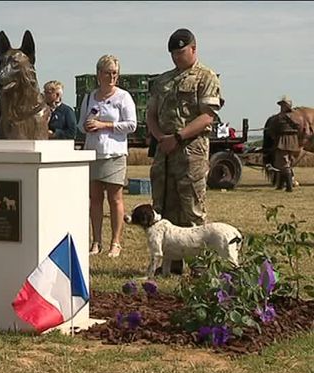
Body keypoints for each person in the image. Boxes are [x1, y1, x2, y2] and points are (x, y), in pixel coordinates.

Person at [147, 28, 223, 274]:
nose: (177, 58)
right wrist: (161, 138)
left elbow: (207, 116)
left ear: (193, 48)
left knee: (192, 209)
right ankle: (170, 264)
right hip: (165, 154)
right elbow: (151, 114)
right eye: (173, 54)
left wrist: (178, 137)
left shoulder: (206, 77)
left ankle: (198, 265)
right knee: (164, 209)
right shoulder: (162, 81)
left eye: (181, 52)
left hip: (191, 152)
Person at [77, 55, 137, 258]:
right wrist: (86, 126)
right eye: (107, 73)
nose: (111, 77)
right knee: (95, 199)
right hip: (93, 153)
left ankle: (116, 242)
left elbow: (131, 125)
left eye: (115, 73)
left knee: (115, 199)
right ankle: (96, 241)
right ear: (98, 74)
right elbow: (80, 124)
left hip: (114, 153)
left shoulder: (123, 97)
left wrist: (105, 125)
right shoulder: (89, 97)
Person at [269, 95, 300, 192]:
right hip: (292, 141)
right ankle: (281, 185)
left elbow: (273, 129)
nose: (281, 107)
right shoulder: (295, 116)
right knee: (283, 163)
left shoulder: (280, 117)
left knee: (283, 163)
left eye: (283, 105)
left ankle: (289, 187)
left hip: (283, 141)